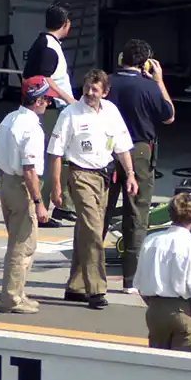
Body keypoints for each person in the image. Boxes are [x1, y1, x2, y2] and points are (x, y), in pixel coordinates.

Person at [47, 69, 139, 310]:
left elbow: (122, 146)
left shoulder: (111, 112)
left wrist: (130, 175)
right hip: (79, 175)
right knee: (94, 230)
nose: (89, 93)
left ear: (105, 92)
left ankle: (75, 287)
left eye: (94, 89)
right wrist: (56, 187)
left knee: (86, 231)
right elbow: (55, 153)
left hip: (103, 177)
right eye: (87, 87)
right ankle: (96, 289)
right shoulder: (70, 114)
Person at [103, 39, 175, 294]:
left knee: (101, 211)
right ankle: (130, 279)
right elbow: (168, 115)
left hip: (107, 152)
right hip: (140, 151)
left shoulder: (106, 83)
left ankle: (87, 272)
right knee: (137, 213)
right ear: (145, 63)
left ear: (122, 58)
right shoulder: (148, 87)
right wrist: (159, 81)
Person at [0, 76, 59, 314]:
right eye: (47, 100)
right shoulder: (32, 128)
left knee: (19, 241)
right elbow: (30, 170)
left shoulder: (9, 119)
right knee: (23, 245)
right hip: (21, 186)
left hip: (6, 182)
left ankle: (18, 292)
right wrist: (39, 202)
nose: (48, 105)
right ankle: (12, 298)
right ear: (39, 100)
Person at [133, 193, 191, 353]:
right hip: (182, 311)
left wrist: (157, 306)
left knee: (157, 362)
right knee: (183, 367)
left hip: (155, 310)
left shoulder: (150, 241)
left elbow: (140, 283)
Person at [22, 2, 77, 227]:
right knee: (53, 156)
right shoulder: (48, 47)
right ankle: (42, 208)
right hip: (55, 108)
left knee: (64, 157)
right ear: (65, 24)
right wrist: (68, 99)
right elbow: (45, 79)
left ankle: (62, 204)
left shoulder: (47, 42)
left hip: (57, 107)